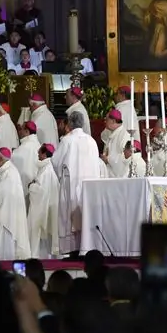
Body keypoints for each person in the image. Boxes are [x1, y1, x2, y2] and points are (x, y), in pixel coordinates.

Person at [52, 111, 104, 254]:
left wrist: (61, 176)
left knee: (70, 217)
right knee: (86, 216)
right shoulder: (91, 141)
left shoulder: (67, 140)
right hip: (89, 186)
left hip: (71, 184)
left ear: (69, 124)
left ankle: (73, 249)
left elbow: (55, 162)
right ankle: (87, 246)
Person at [28, 143, 59, 258]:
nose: (37, 153)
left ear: (45, 154)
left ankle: (37, 256)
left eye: (39, 152)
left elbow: (40, 191)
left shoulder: (46, 170)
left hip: (42, 207)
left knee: (38, 231)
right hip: (48, 205)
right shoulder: (47, 167)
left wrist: (31, 186)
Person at [11, 121, 42, 197]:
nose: (19, 132)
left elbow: (13, 162)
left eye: (21, 129)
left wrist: (13, 152)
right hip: (34, 185)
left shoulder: (25, 147)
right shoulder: (38, 144)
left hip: (24, 184)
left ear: (27, 131)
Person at [102, 109, 130, 176]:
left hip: (119, 175)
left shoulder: (124, 135)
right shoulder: (112, 133)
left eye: (107, 119)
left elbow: (125, 157)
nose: (105, 121)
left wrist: (108, 159)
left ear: (113, 121)